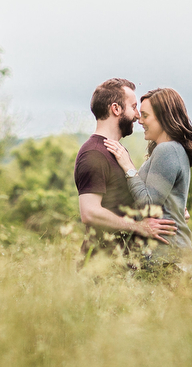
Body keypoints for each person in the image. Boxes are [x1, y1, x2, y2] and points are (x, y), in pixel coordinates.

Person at [74, 77, 175, 261]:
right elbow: (89, 212)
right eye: (134, 107)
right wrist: (138, 227)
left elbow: (126, 203)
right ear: (116, 109)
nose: (137, 115)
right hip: (100, 266)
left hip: (121, 266)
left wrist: (172, 208)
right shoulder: (93, 154)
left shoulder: (116, 151)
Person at [102, 86, 192, 263]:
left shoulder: (167, 149)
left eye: (145, 116)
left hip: (168, 258)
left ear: (163, 118)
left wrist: (128, 167)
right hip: (168, 257)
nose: (139, 120)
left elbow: (148, 204)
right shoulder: (171, 149)